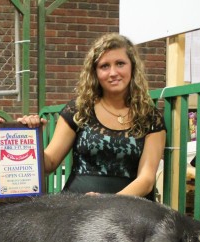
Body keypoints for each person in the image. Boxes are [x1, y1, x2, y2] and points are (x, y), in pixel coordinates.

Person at [19, 33, 166, 199]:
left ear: (132, 67)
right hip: (77, 209)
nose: (113, 72)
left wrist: (107, 202)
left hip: (129, 212)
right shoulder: (79, 110)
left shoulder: (150, 116)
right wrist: (31, 138)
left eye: (120, 64)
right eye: (104, 66)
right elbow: (49, 163)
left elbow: (146, 180)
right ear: (94, 72)